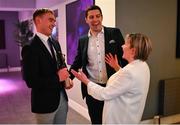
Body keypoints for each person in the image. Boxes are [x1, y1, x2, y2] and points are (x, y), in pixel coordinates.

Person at [71, 33, 152, 124]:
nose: (122, 46)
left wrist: (86, 81)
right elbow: (129, 83)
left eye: (126, 44)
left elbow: (104, 93)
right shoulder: (143, 66)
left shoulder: (129, 73)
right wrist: (117, 67)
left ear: (133, 51)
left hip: (119, 120)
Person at [69, 5, 127, 124]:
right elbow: (78, 61)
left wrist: (127, 80)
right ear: (86, 20)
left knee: (113, 121)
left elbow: (125, 58)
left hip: (112, 87)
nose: (95, 20)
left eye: (98, 16)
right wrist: (69, 78)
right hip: (92, 89)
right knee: (96, 121)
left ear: (102, 17)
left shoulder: (114, 33)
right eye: (91, 17)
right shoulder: (83, 40)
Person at [21, 8, 73, 124]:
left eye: (54, 21)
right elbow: (31, 81)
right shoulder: (30, 48)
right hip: (44, 104)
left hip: (62, 99)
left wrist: (66, 80)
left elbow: (60, 65)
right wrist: (58, 78)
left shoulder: (55, 43)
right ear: (38, 21)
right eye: (50, 20)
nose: (54, 24)